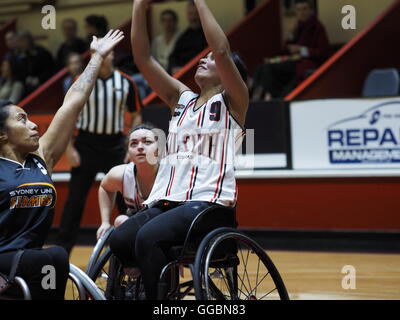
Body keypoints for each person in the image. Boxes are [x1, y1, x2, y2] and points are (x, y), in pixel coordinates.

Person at [109, 0, 248, 300]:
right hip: (167, 203)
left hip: (208, 206)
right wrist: (139, 7)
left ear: (228, 73)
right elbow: (143, 58)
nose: (204, 59)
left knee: (147, 237)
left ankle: (161, 302)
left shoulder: (233, 102)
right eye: (204, 57)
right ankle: (159, 289)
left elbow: (222, 50)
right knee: (120, 239)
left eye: (210, 59)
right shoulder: (181, 100)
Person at [0, 29, 125, 300]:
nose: (33, 125)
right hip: (4, 257)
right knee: (55, 256)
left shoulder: (41, 156)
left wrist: (96, 57)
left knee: (51, 259)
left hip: (30, 259)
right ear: (2, 134)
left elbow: (73, 103)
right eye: (21, 119)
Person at [56, 45, 143, 256]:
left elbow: (136, 115)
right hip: (85, 144)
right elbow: (67, 115)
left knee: (126, 197)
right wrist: (69, 149)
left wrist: (128, 147)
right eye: (100, 54)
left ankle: (134, 247)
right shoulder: (81, 80)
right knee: (75, 200)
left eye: (108, 53)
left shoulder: (126, 81)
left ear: (113, 55)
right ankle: (61, 252)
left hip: (114, 145)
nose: (104, 57)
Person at [250, 0, 329, 100]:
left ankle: (270, 96)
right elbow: (285, 49)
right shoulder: (298, 27)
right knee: (261, 67)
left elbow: (322, 52)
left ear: (311, 11)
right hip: (292, 61)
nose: (302, 13)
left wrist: (301, 50)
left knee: (268, 68)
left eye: (304, 9)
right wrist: (291, 34)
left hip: (304, 63)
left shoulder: (317, 27)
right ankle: (255, 91)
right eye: (299, 10)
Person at [97, 123, 159, 239]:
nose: (140, 147)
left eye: (147, 142)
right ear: (128, 152)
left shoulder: (171, 172)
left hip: (163, 227)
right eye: (134, 143)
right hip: (136, 226)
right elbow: (105, 187)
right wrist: (105, 222)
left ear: (159, 149)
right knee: (121, 220)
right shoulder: (120, 174)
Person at [167, 0, 207, 74]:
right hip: (180, 73)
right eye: (191, 14)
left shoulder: (207, 34)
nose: (193, 17)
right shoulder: (184, 36)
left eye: (196, 13)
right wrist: (174, 68)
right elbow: (173, 56)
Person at [12, 30, 55, 95]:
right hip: (26, 86)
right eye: (19, 41)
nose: (20, 44)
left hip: (43, 83)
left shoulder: (41, 52)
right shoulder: (17, 55)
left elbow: (50, 69)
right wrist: (25, 79)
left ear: (29, 40)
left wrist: (39, 79)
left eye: (23, 40)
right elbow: (17, 73)